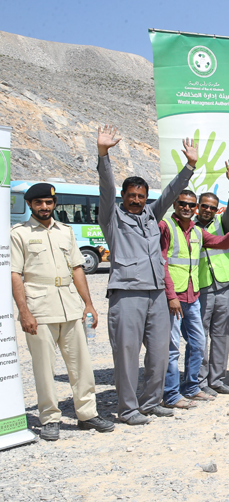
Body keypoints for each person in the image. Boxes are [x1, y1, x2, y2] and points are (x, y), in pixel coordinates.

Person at [97, 124, 197, 425]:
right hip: (127, 294)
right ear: (124, 197)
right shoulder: (112, 218)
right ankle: (128, 409)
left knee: (159, 353)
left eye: (141, 196)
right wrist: (103, 155)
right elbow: (106, 190)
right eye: (132, 196)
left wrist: (190, 166)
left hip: (156, 296)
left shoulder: (152, 216)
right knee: (126, 357)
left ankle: (152, 402)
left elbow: (171, 193)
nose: (137, 200)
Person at [10, 183, 114, 440]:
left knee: (81, 365)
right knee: (44, 367)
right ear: (30, 205)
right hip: (39, 308)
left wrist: (88, 303)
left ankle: (87, 414)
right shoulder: (19, 234)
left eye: (48, 202)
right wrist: (24, 312)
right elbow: (15, 274)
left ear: (54, 203)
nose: (44, 207)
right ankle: (49, 418)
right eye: (38, 203)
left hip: (69, 306)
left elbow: (78, 269)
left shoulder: (65, 231)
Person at [160, 190, 229, 409]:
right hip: (185, 294)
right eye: (183, 204)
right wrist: (170, 295)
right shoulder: (169, 227)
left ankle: (200, 385)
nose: (188, 208)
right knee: (178, 345)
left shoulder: (202, 230)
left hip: (203, 291)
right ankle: (179, 389)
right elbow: (163, 263)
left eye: (212, 207)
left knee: (206, 340)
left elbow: (223, 242)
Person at [194, 161, 229, 397]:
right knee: (200, 334)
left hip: (223, 285)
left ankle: (217, 379)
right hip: (201, 287)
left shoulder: (221, 224)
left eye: (213, 208)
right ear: (197, 208)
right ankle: (200, 381)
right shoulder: (189, 228)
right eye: (204, 206)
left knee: (222, 334)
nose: (208, 211)